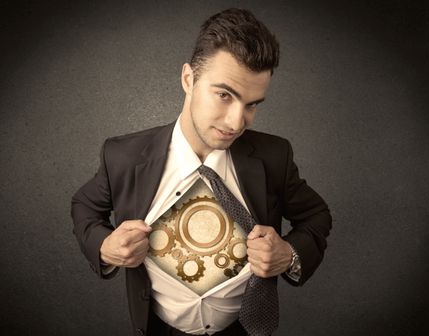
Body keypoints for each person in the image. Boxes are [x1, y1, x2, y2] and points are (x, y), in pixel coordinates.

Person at [71, 8, 331, 336]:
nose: (237, 122)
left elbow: (317, 215)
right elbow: (84, 206)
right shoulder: (122, 156)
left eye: (252, 104)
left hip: (244, 329)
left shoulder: (274, 156)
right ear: (188, 79)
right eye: (224, 95)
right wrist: (104, 245)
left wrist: (289, 254)